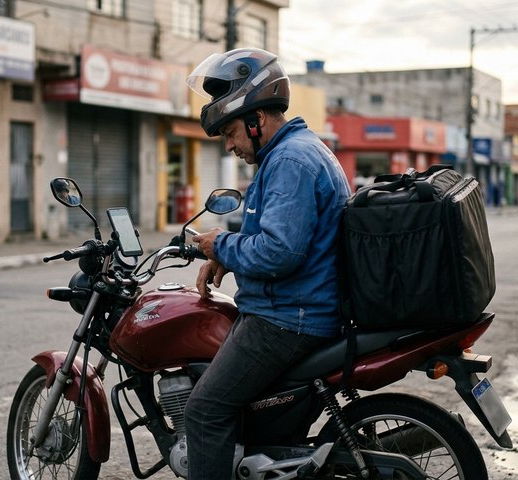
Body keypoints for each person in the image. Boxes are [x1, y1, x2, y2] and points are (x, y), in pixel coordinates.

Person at [184, 48, 351, 479]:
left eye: (232, 131)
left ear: (257, 120)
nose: (231, 145)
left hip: (287, 318)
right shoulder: (295, 152)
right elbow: (285, 241)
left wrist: (221, 247)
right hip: (300, 308)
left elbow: (280, 252)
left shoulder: (289, 161)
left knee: (204, 411)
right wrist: (230, 256)